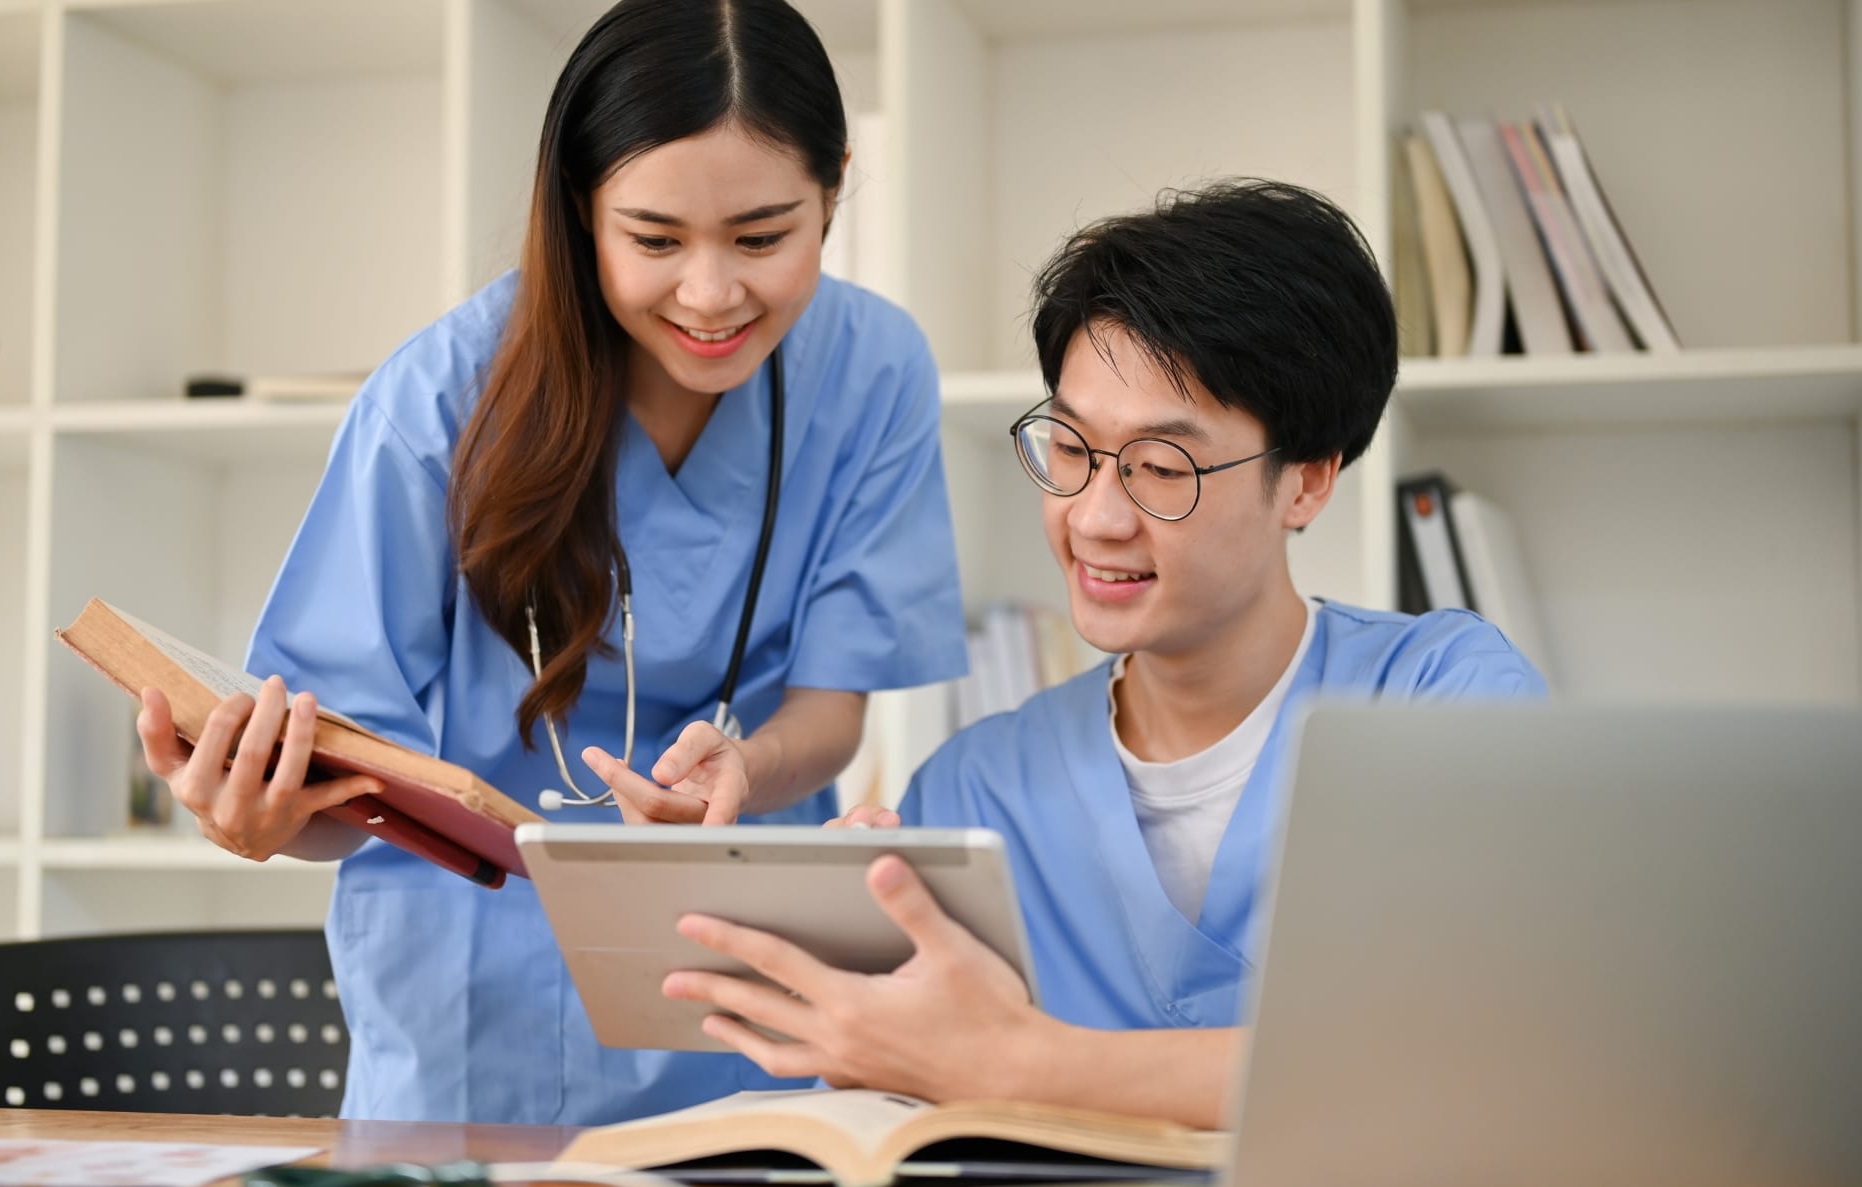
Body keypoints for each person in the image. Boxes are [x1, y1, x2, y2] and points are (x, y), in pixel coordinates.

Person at [131, 0, 967, 1124]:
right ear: (581, 212)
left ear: (831, 198)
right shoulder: (440, 397)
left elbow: (833, 711)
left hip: (736, 977)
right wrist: (260, 812)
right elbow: (346, 768)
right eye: (655, 238)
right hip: (472, 1013)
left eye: (763, 235)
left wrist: (744, 766)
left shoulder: (875, 375)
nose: (712, 292)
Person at [660, 180, 1547, 1130]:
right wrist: (844, 981)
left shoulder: (1445, 703)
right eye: (1072, 448)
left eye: (1162, 467)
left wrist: (1021, 1062)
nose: (1096, 517)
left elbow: (1479, 1056)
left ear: (1309, 479)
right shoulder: (975, 789)